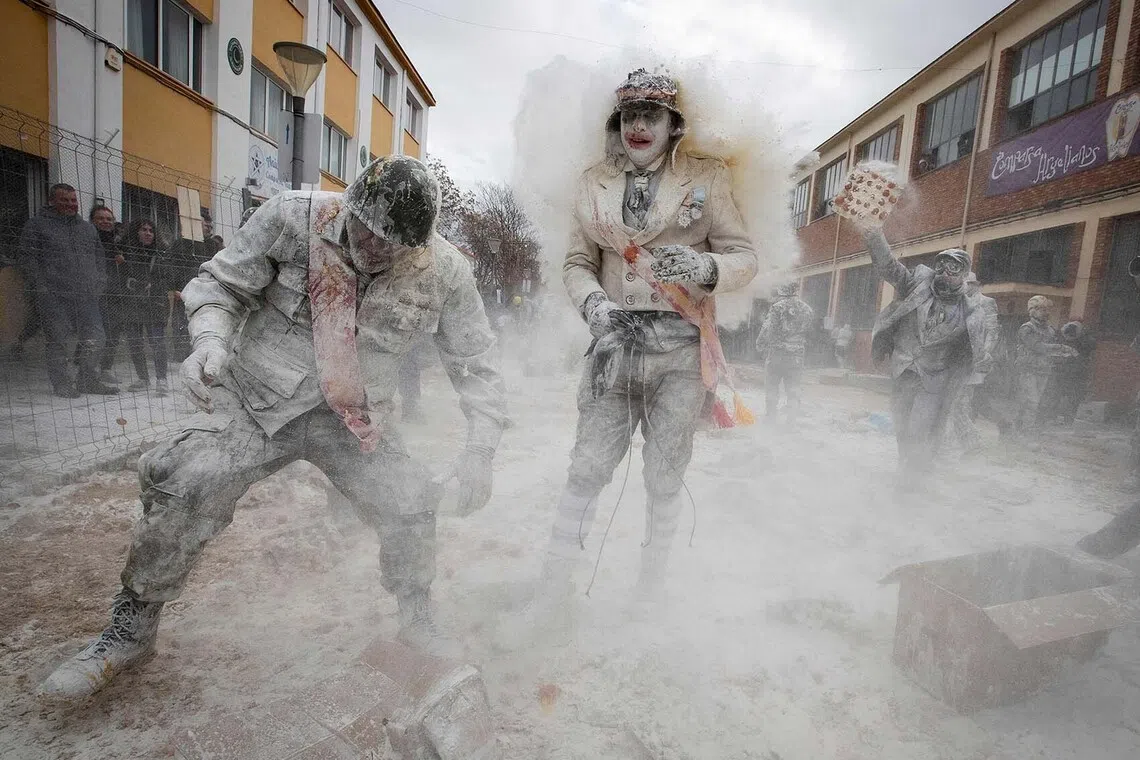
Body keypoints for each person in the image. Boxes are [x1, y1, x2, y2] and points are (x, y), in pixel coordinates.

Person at [37, 156, 508, 703]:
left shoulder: (444, 270)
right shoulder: (291, 218)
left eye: (392, 243)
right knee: (188, 482)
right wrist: (209, 341)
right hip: (258, 399)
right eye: (366, 231)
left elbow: (476, 365)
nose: (375, 247)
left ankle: (417, 614)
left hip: (356, 416)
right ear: (350, 206)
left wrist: (480, 451)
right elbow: (220, 286)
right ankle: (130, 627)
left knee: (410, 500)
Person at [516, 67, 758, 632]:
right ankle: (553, 592)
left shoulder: (708, 176)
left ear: (674, 125)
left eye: (651, 116)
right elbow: (577, 263)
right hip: (614, 345)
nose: (638, 127)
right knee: (586, 470)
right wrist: (594, 307)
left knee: (665, 477)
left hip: (680, 351)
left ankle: (650, 591)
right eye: (629, 116)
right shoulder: (592, 182)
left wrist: (704, 265)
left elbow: (745, 257)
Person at [860, 227, 992, 490]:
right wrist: (875, 234)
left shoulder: (972, 311)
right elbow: (889, 267)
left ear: (964, 275)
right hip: (904, 370)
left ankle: (911, 479)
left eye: (953, 268)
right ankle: (906, 465)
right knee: (901, 425)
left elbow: (979, 347)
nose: (944, 272)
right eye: (941, 265)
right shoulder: (917, 283)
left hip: (935, 379)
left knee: (920, 429)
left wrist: (980, 362)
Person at [17, 183, 118, 397]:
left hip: (87, 295)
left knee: (97, 337)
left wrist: (100, 282)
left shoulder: (87, 228)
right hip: (54, 296)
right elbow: (28, 259)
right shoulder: (36, 226)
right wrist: (41, 288)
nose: (71, 204)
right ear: (51, 201)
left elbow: (99, 257)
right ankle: (61, 384)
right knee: (58, 340)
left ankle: (87, 380)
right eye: (64, 200)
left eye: (73, 200)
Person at [114, 219, 177, 393]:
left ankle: (161, 380)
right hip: (132, 303)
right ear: (136, 232)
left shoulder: (162, 254)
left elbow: (169, 277)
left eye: (151, 230)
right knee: (134, 342)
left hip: (155, 303)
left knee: (157, 341)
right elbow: (119, 277)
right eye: (144, 229)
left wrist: (153, 285)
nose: (148, 233)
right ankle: (143, 378)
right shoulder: (126, 253)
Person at [949, 272, 999, 452]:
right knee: (956, 404)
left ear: (973, 285)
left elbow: (992, 332)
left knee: (958, 405)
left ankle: (972, 443)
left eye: (965, 285)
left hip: (973, 361)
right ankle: (964, 442)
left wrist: (984, 355)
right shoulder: (958, 303)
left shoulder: (986, 302)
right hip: (956, 361)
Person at [1013, 295, 1076, 434]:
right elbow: (1037, 347)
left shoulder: (1050, 329)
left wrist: (1064, 353)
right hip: (1028, 369)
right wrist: (1060, 348)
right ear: (1033, 311)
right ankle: (1025, 430)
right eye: (1042, 309)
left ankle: (1022, 427)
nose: (1046, 312)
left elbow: (1052, 347)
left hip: (1044, 369)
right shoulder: (1027, 329)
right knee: (1031, 400)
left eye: (1047, 309)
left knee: (1037, 401)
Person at [756, 281, 813, 420]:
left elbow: (768, 329)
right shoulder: (807, 309)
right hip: (797, 355)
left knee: (772, 387)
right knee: (793, 389)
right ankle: (791, 421)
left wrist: (760, 344)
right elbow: (809, 332)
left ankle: (771, 418)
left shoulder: (777, 307)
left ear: (782, 290)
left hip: (777, 353)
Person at [90, 205, 126, 386]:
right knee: (95, 333)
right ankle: (88, 370)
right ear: (92, 221)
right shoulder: (88, 239)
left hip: (115, 293)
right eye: (101, 218)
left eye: (109, 219)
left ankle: (105, 368)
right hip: (94, 293)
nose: (105, 222)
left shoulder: (118, 241)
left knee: (113, 333)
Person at [1038, 320, 1096, 426]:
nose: (1068, 339)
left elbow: (1088, 353)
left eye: (1071, 338)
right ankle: (1052, 418)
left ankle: (1068, 421)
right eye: (1067, 337)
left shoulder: (1086, 340)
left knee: (1073, 398)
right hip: (1060, 372)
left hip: (1077, 374)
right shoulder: (1060, 336)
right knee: (1055, 395)